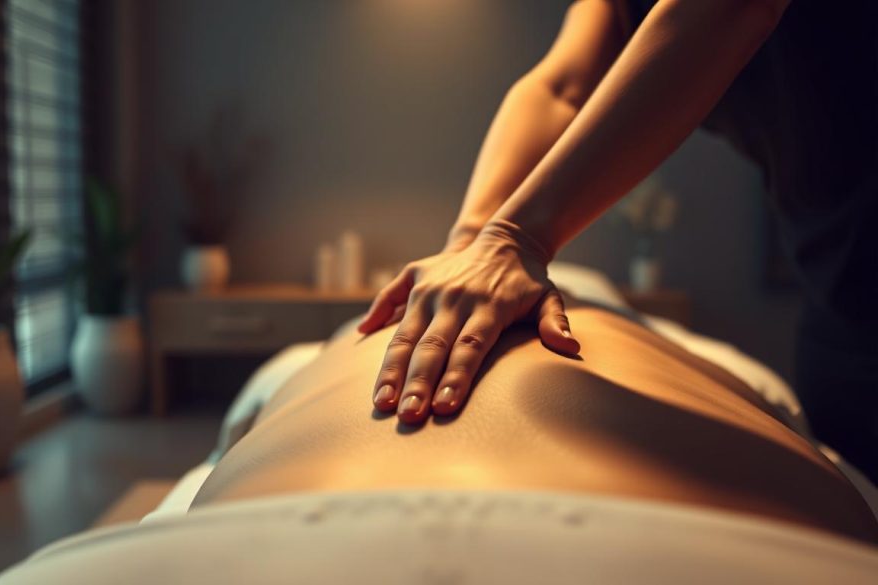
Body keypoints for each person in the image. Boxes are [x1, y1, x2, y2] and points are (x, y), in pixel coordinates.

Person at [355, 0, 878, 481]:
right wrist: (469, 243)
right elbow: (562, 87)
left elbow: (726, 10)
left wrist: (513, 238)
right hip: (839, 291)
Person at [194, 299, 878, 544]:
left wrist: (510, 232)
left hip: (266, 531)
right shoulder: (650, 340)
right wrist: (496, 234)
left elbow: (240, 423)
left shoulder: (350, 345)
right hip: (768, 545)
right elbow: (558, 85)